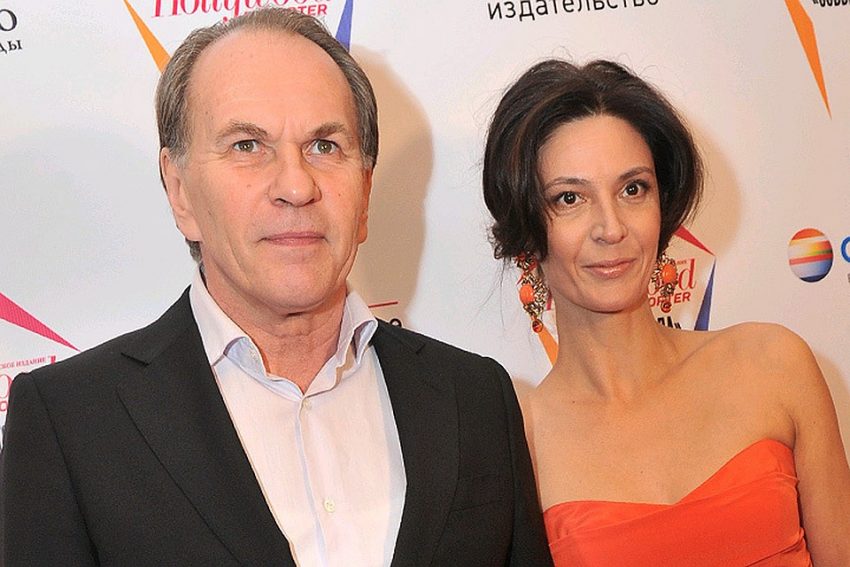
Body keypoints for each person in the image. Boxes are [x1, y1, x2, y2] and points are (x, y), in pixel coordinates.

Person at [0, 9, 553, 566]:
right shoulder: (70, 423)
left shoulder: (475, 398)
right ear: (179, 189)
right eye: (247, 145)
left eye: (324, 146)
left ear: (364, 191)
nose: (295, 185)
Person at [482, 59, 850, 565]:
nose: (612, 228)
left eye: (632, 189)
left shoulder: (773, 364)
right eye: (570, 198)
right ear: (526, 229)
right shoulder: (517, 444)